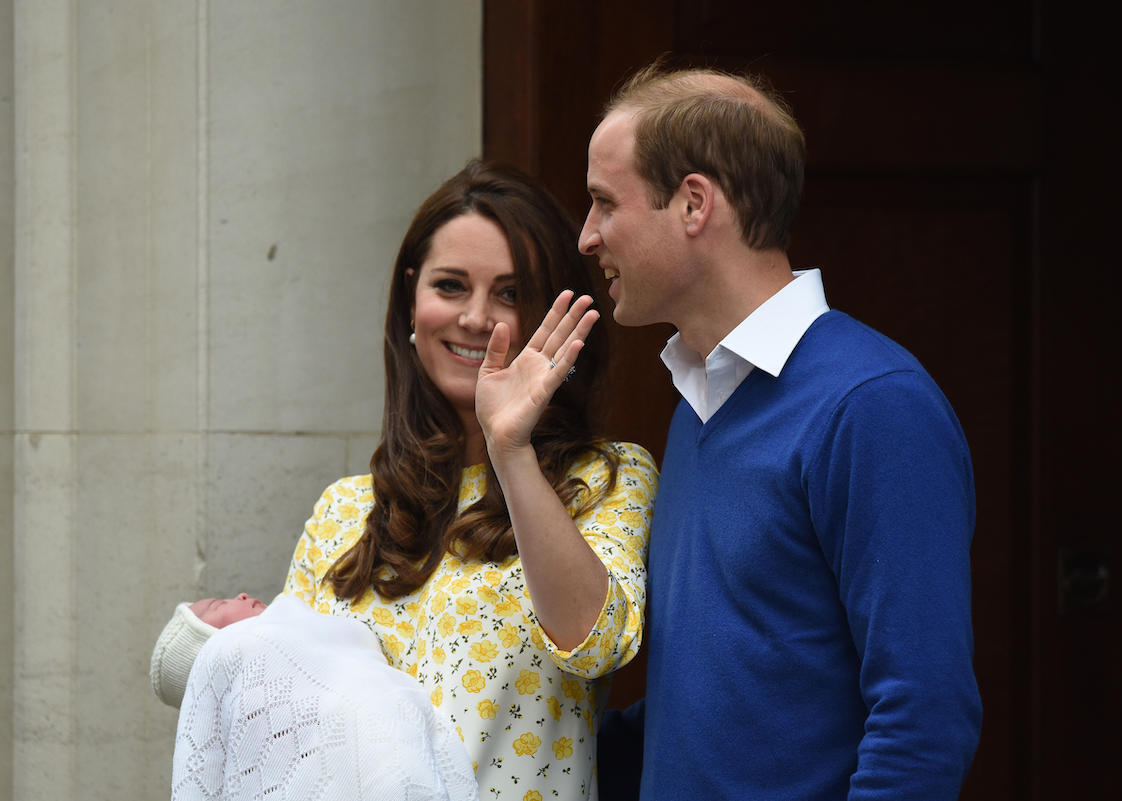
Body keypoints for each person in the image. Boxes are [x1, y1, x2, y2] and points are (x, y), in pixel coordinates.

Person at [581, 63, 981, 799]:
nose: (586, 236)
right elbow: (712, 713)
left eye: (605, 203)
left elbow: (925, 718)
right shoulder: (697, 405)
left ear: (694, 203)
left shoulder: (872, 405)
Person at [280, 159, 658, 801]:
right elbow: (284, 709)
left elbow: (597, 647)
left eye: (511, 294)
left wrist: (509, 449)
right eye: (451, 286)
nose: (478, 318)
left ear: (554, 316)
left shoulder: (608, 477)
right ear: (411, 298)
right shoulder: (344, 509)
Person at [151, 593, 478, 801]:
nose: (241, 594)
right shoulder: (240, 652)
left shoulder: (312, 636)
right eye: (218, 605)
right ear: (210, 656)